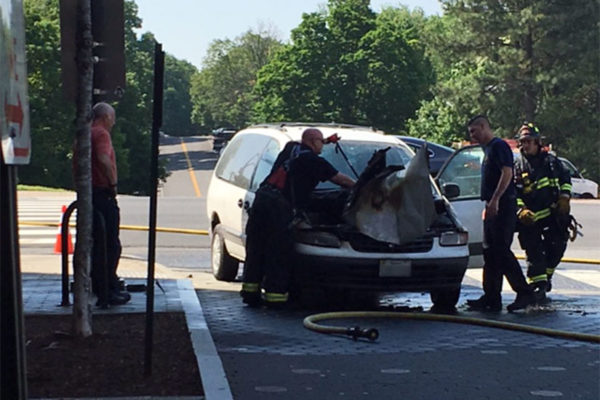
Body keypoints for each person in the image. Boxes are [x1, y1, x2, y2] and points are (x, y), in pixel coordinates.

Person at [241, 128, 355, 308]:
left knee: (256, 248)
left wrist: (325, 140)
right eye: (320, 142)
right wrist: (362, 187)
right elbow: (341, 180)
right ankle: (275, 298)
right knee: (278, 251)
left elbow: (308, 142)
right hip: (278, 207)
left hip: (262, 200)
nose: (322, 147)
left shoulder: (290, 149)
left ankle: (250, 293)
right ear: (312, 142)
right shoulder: (313, 161)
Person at [465, 115, 535, 312]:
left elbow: (507, 173)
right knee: (490, 252)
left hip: (504, 206)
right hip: (492, 206)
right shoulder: (487, 149)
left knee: (501, 251)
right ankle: (491, 297)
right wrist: (488, 205)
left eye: (474, 131)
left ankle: (524, 293)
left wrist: (495, 200)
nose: (472, 136)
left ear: (483, 127)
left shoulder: (499, 146)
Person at [514, 122, 572, 303]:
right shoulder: (517, 165)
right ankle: (537, 286)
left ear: (538, 142)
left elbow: (565, 179)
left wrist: (564, 197)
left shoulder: (552, 162)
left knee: (557, 248)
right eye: (523, 141)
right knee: (534, 252)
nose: (526, 145)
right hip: (530, 220)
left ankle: (545, 279)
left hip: (553, 216)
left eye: (530, 141)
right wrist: (521, 210)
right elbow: (512, 193)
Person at [90, 102, 130, 306]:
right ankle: (108, 290)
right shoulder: (101, 134)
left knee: (97, 244)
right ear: (105, 117)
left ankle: (103, 286)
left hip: (91, 194)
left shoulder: (86, 133)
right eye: (112, 118)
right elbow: (104, 158)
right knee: (110, 244)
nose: (113, 122)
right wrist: (113, 182)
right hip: (102, 193)